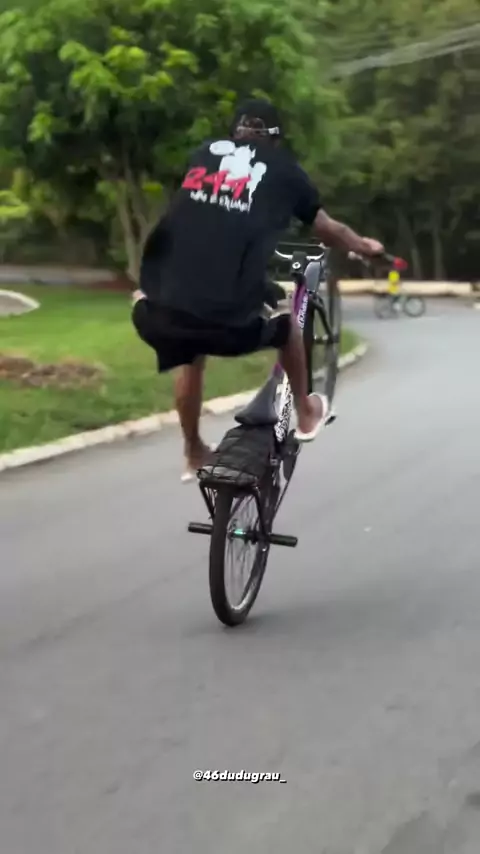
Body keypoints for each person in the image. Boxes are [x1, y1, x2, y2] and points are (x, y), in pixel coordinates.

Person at [132, 98, 384, 479]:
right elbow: (326, 228)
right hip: (227, 326)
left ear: (234, 133)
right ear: (276, 140)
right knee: (286, 321)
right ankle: (306, 414)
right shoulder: (285, 170)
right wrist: (364, 246)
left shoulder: (204, 154)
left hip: (156, 310)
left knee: (188, 351)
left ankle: (193, 452)